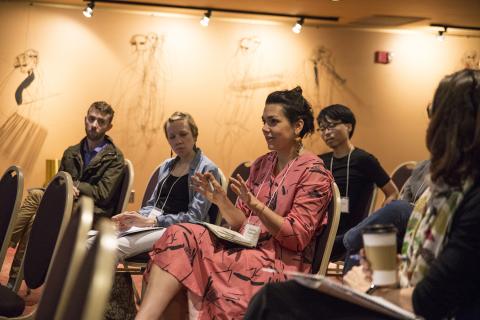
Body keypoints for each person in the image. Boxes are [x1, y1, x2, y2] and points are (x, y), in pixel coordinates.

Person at [245, 68, 480, 320]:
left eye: (435, 115)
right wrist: (383, 271)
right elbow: (423, 266)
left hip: (412, 306)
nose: (429, 126)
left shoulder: (469, 197)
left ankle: (345, 246)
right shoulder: (443, 185)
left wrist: (371, 290)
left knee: (273, 300)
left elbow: (431, 298)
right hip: (400, 291)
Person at [135, 86, 333, 320]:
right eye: (263, 121)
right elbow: (241, 224)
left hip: (278, 259)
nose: (265, 129)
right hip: (246, 246)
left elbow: (296, 237)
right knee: (180, 234)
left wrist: (257, 206)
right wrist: (220, 201)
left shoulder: (314, 173)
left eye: (273, 122)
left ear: (297, 126)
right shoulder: (262, 164)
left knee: (189, 259)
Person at [7, 101, 125, 288]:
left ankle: (6, 246)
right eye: (91, 119)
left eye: (101, 121)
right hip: (66, 206)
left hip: (91, 214)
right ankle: (14, 281)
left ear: (109, 126)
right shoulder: (71, 152)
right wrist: (65, 187)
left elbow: (103, 194)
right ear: (85, 119)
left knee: (38, 200)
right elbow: (59, 182)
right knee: (35, 212)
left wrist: (73, 185)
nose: (94, 124)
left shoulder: (116, 158)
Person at [108, 111, 221, 260]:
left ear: (195, 135)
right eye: (172, 137)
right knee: (94, 239)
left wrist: (153, 221)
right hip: (155, 225)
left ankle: (110, 283)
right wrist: (133, 218)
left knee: (110, 249)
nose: (178, 141)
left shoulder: (207, 169)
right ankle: (119, 283)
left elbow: (195, 218)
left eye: (183, 134)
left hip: (181, 231)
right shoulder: (167, 166)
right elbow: (152, 205)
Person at [317, 104, 399, 259]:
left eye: (331, 126)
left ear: (348, 126)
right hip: (323, 232)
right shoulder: (320, 161)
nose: (326, 132)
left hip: (351, 235)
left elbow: (392, 192)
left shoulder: (363, 160)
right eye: (322, 128)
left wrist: (378, 218)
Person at [342, 160, 430, 273]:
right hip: (408, 225)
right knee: (371, 238)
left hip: (426, 220)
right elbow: (405, 196)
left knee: (399, 208)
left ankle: (341, 244)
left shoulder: (454, 172)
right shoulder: (422, 167)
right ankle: (352, 287)